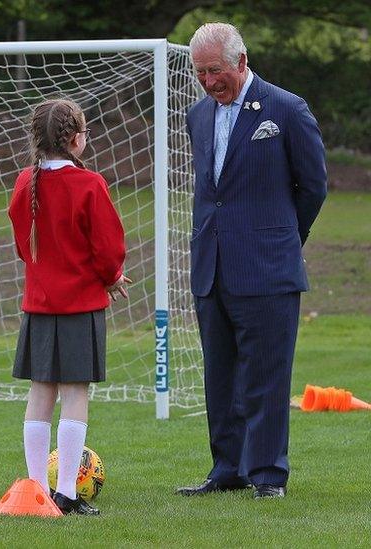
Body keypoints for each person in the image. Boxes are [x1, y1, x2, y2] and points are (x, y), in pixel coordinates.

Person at [177, 22, 327, 499]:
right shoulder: (197, 115)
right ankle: (227, 470)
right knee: (220, 377)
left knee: (265, 377)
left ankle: (267, 475)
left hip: (267, 267)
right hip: (211, 268)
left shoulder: (286, 108)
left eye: (215, 71)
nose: (208, 81)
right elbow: (210, 193)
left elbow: (314, 186)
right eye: (200, 72)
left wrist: (283, 237)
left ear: (241, 61)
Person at [8, 98, 130, 516]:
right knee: (75, 392)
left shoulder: (25, 181)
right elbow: (109, 247)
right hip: (80, 306)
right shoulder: (90, 183)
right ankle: (66, 494)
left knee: (40, 392)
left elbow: (24, 246)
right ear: (76, 139)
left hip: (39, 305)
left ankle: (36, 492)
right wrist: (112, 278)